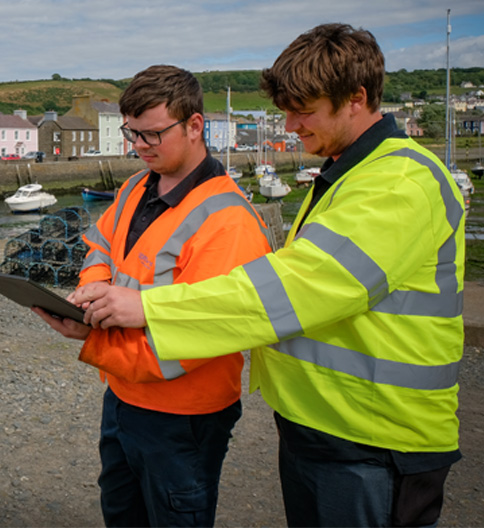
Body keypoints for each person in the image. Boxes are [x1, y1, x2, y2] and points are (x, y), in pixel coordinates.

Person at [73, 24, 465, 527]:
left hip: (374, 439)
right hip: (330, 427)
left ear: (356, 99)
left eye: (303, 109)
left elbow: (292, 288)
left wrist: (144, 307)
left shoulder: (399, 182)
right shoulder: (350, 174)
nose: (289, 125)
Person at [32, 64, 271, 527]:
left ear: (195, 125)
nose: (138, 146)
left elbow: (199, 339)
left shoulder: (230, 220)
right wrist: (93, 285)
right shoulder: (136, 185)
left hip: (183, 417)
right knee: (122, 512)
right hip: (122, 398)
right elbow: (100, 245)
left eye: (152, 135)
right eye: (132, 133)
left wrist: (91, 336)